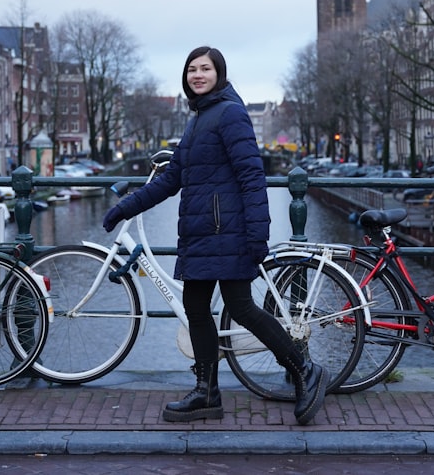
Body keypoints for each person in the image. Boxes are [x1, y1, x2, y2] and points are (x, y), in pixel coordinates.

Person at [101, 46, 327, 426]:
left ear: (219, 74)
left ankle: (304, 369)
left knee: (241, 307)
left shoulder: (231, 113)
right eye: (192, 69)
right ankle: (207, 394)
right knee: (196, 308)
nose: (197, 75)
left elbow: (252, 177)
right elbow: (172, 178)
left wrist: (258, 234)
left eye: (205, 68)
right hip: (202, 233)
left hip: (229, 232)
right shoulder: (199, 119)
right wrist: (127, 206)